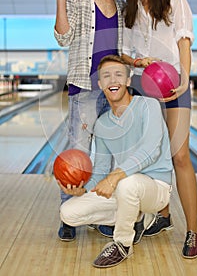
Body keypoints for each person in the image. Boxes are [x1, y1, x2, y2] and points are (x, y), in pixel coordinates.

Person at [44, 0, 131, 241]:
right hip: (84, 88)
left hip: (114, 92)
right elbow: (63, 37)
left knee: (108, 158)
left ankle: (103, 214)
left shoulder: (121, 5)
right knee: (76, 156)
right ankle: (69, 215)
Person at [57, 55, 173, 268]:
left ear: (128, 80)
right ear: (100, 84)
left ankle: (122, 244)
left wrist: (115, 176)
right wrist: (82, 191)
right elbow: (101, 172)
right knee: (68, 213)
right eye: (107, 76)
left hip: (156, 188)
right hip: (124, 189)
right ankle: (136, 216)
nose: (113, 80)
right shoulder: (102, 124)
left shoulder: (149, 106)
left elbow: (151, 150)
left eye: (119, 75)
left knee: (128, 184)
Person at [121, 0, 197, 259]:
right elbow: (125, 52)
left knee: (179, 155)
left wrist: (184, 79)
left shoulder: (174, 0)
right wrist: (136, 61)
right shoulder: (129, 10)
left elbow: (184, 40)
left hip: (174, 82)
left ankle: (193, 230)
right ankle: (162, 215)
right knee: (150, 155)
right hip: (143, 84)